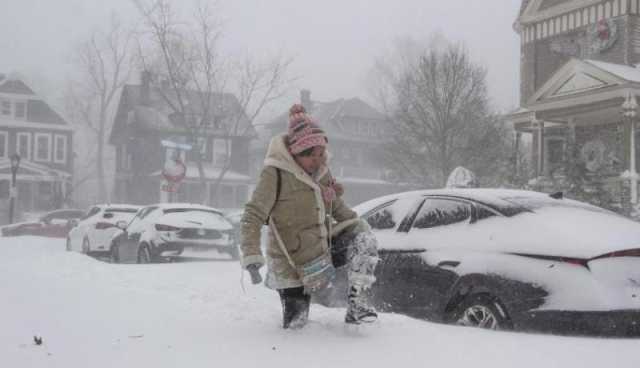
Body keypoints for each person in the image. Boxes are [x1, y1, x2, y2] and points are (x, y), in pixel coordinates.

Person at [240, 104, 380, 329]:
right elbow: (252, 215)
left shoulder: (322, 174)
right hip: (290, 261)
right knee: (297, 324)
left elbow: (339, 210)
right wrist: (252, 255)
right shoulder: (275, 173)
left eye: (320, 153)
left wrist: (358, 228)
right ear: (296, 153)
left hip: (322, 251)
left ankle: (358, 304)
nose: (318, 160)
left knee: (363, 235)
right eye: (311, 155)